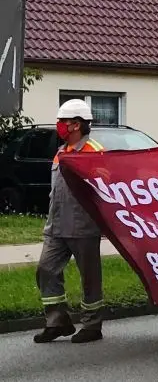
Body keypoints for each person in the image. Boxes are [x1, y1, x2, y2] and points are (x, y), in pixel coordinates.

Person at [33, 99, 107, 344]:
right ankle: (58, 321)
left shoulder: (94, 152)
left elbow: (105, 188)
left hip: (83, 226)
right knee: (46, 269)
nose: (59, 126)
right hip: (56, 226)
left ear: (76, 125)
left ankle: (92, 325)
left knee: (90, 277)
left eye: (62, 122)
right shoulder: (61, 151)